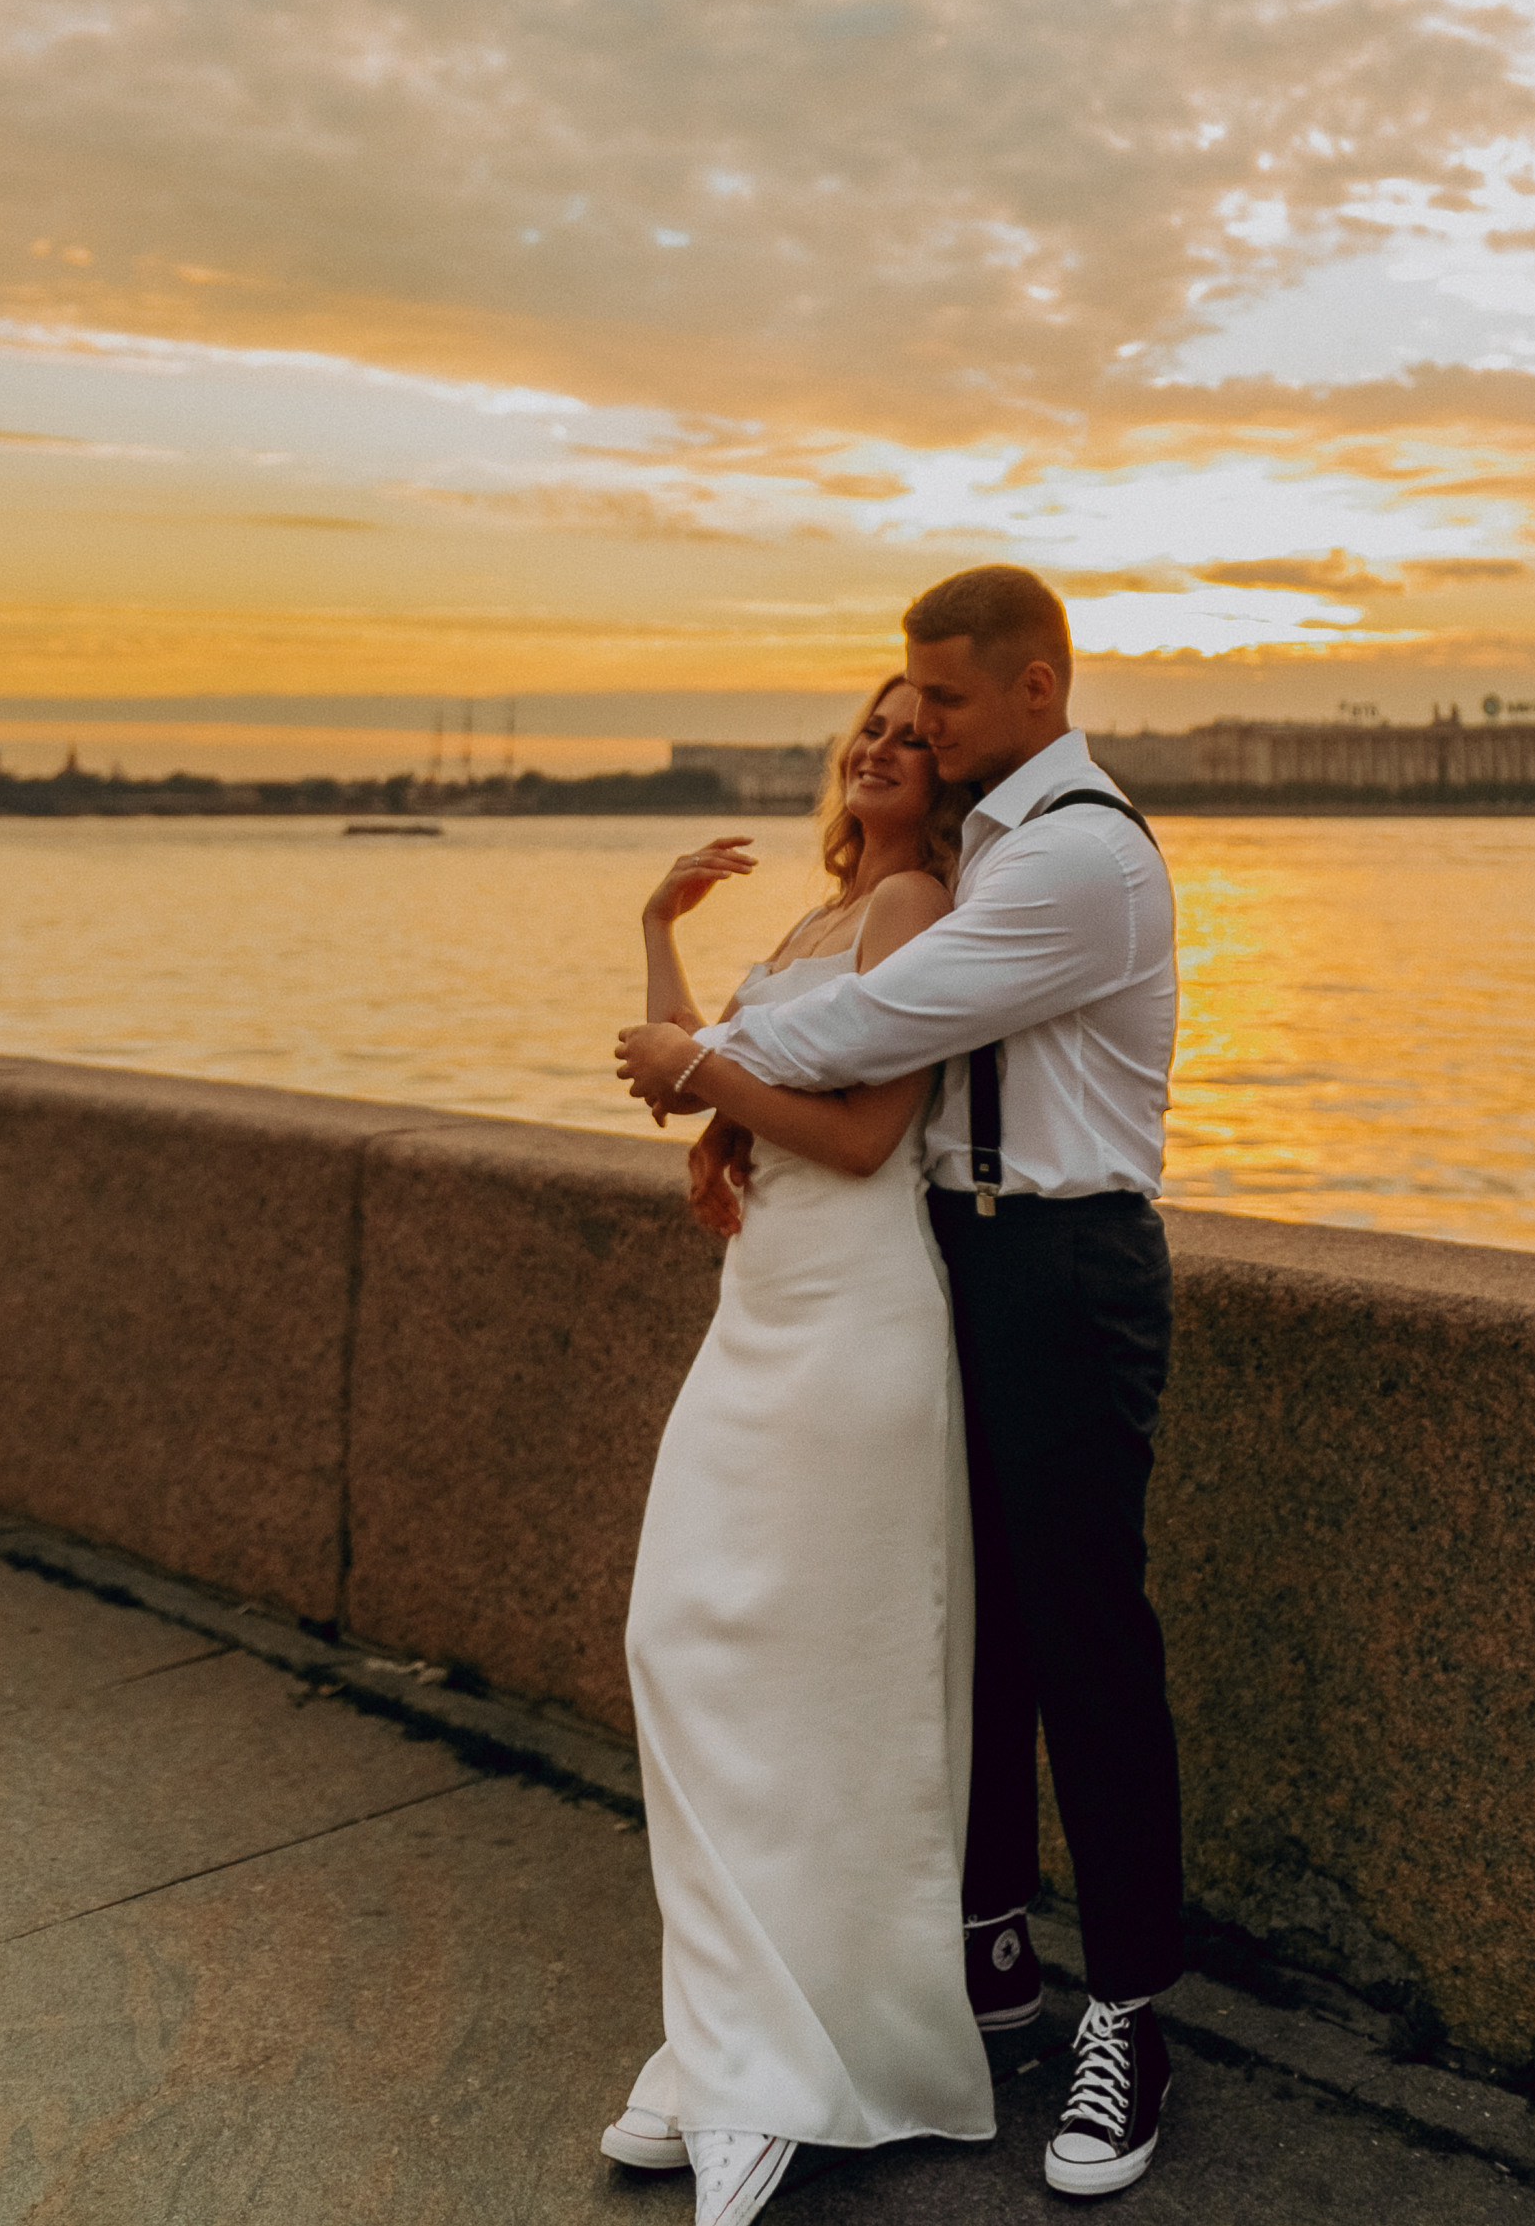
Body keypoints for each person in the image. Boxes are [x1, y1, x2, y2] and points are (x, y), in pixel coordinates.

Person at [620, 564, 1184, 2200]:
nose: (915, 724)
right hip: (952, 1255)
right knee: (970, 1617)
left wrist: (705, 1075)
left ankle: (1132, 2012)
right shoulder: (992, 836)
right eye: (904, 699)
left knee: (1084, 1631)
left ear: (1038, 687)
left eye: (941, 700)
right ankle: (986, 1946)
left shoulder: (1078, 859)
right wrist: (724, 1096)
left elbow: (874, 1028)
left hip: (1066, 1265)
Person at [602, 677, 993, 2226]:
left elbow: (858, 1133)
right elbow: (711, 1073)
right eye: (870, 726)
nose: (880, 743)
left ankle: (786, 2068)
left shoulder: (917, 901)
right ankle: (727, 2032)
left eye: (913, 729)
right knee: (684, 1644)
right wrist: (658, 931)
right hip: (756, 1311)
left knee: (822, 1686)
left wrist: (698, 1074)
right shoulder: (823, 916)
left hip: (855, 1320)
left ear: (944, 771)